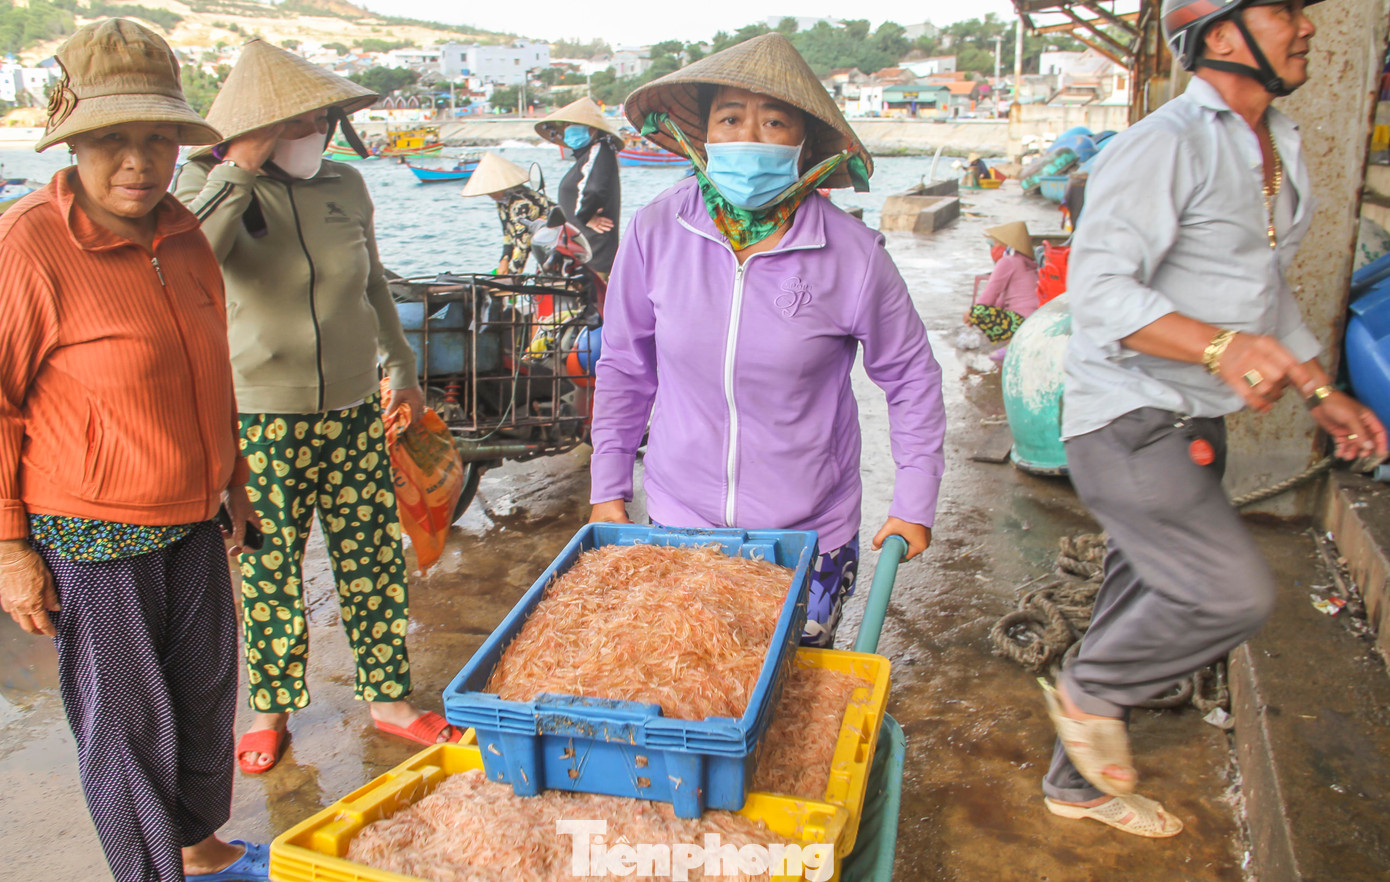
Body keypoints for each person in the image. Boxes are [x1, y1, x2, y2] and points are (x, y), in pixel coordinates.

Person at [1041, 0, 1387, 837]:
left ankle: (1073, 785)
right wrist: (1223, 348)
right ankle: (1089, 693)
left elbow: (1259, 291)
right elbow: (1098, 295)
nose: (1307, 27)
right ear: (1222, 35)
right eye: (1282, 11)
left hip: (1193, 418)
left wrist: (1319, 390)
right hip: (1125, 417)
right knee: (1228, 591)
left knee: (1145, 584)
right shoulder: (1165, 143)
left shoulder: (1279, 143)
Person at [0, 20, 271, 881]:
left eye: (157, 139)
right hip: (90, 531)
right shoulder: (30, 244)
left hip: (194, 515)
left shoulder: (186, 232)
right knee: (126, 728)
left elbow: (211, 371)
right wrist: (10, 547)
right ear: (73, 140)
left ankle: (199, 849)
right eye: (112, 140)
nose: (138, 163)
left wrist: (235, 482)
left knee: (202, 697)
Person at [588, 34, 946, 649]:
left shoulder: (853, 256)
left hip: (811, 532)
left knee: (794, 694)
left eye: (774, 121)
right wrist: (608, 486)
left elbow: (911, 377)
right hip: (681, 519)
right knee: (692, 683)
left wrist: (914, 499)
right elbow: (625, 366)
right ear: (704, 135)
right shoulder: (654, 232)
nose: (751, 135)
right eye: (731, 118)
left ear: (803, 143)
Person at [173, 40, 462, 776]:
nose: (315, 133)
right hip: (260, 419)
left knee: (370, 558)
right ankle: (269, 710)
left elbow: (371, 285)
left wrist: (401, 363)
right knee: (269, 568)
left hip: (355, 408)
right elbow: (186, 266)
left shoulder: (345, 184)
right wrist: (239, 169)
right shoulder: (208, 185)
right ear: (255, 127)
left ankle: (391, 700)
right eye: (296, 122)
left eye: (323, 118)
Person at [535, 97, 623, 275]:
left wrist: (585, 217)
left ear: (591, 129)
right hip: (581, 248)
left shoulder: (600, 149)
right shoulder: (585, 156)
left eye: (571, 125)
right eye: (566, 125)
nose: (567, 130)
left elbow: (594, 188)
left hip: (594, 250)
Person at [460, 151, 558, 275]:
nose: (491, 194)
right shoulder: (502, 201)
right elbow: (507, 233)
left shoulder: (521, 203)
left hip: (554, 242)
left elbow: (523, 241)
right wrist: (504, 259)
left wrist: (512, 274)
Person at [967, 220, 1040, 346]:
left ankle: (1010, 342)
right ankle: (1009, 342)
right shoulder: (1025, 262)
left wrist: (971, 315)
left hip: (1022, 320)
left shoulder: (1008, 262)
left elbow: (988, 297)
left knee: (977, 311)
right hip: (1036, 318)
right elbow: (1000, 301)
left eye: (996, 243)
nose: (994, 248)